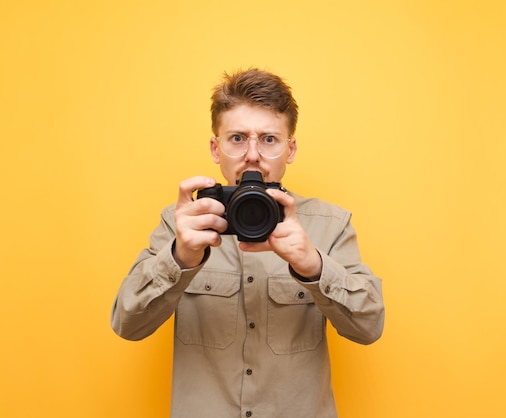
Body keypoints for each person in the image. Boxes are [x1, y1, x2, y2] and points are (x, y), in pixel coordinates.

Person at [111, 68, 385, 418]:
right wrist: (179, 258)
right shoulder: (184, 223)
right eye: (237, 138)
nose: (252, 155)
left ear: (290, 149)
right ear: (216, 148)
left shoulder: (329, 225)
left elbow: (369, 327)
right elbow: (127, 325)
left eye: (269, 139)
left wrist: (314, 266)